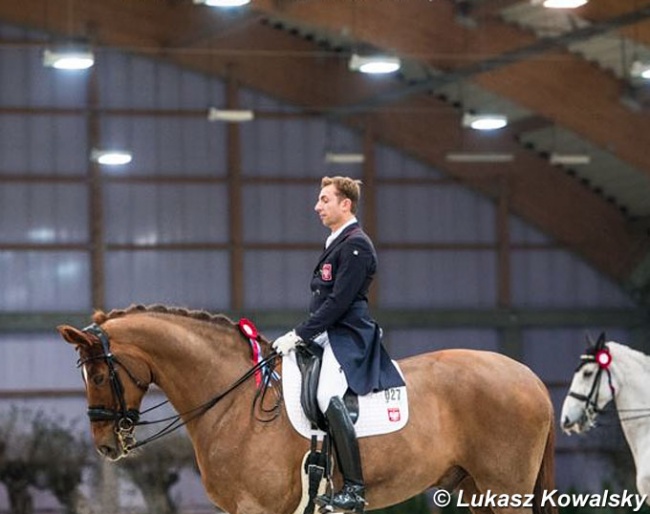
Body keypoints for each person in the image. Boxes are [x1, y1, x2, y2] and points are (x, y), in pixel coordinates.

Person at [272, 175, 404, 514]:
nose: (317, 206)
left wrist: (300, 333)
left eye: (325, 199)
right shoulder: (338, 241)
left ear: (345, 204)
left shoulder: (356, 245)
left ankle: (355, 488)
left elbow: (339, 303)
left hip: (349, 336)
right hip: (328, 333)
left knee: (325, 394)